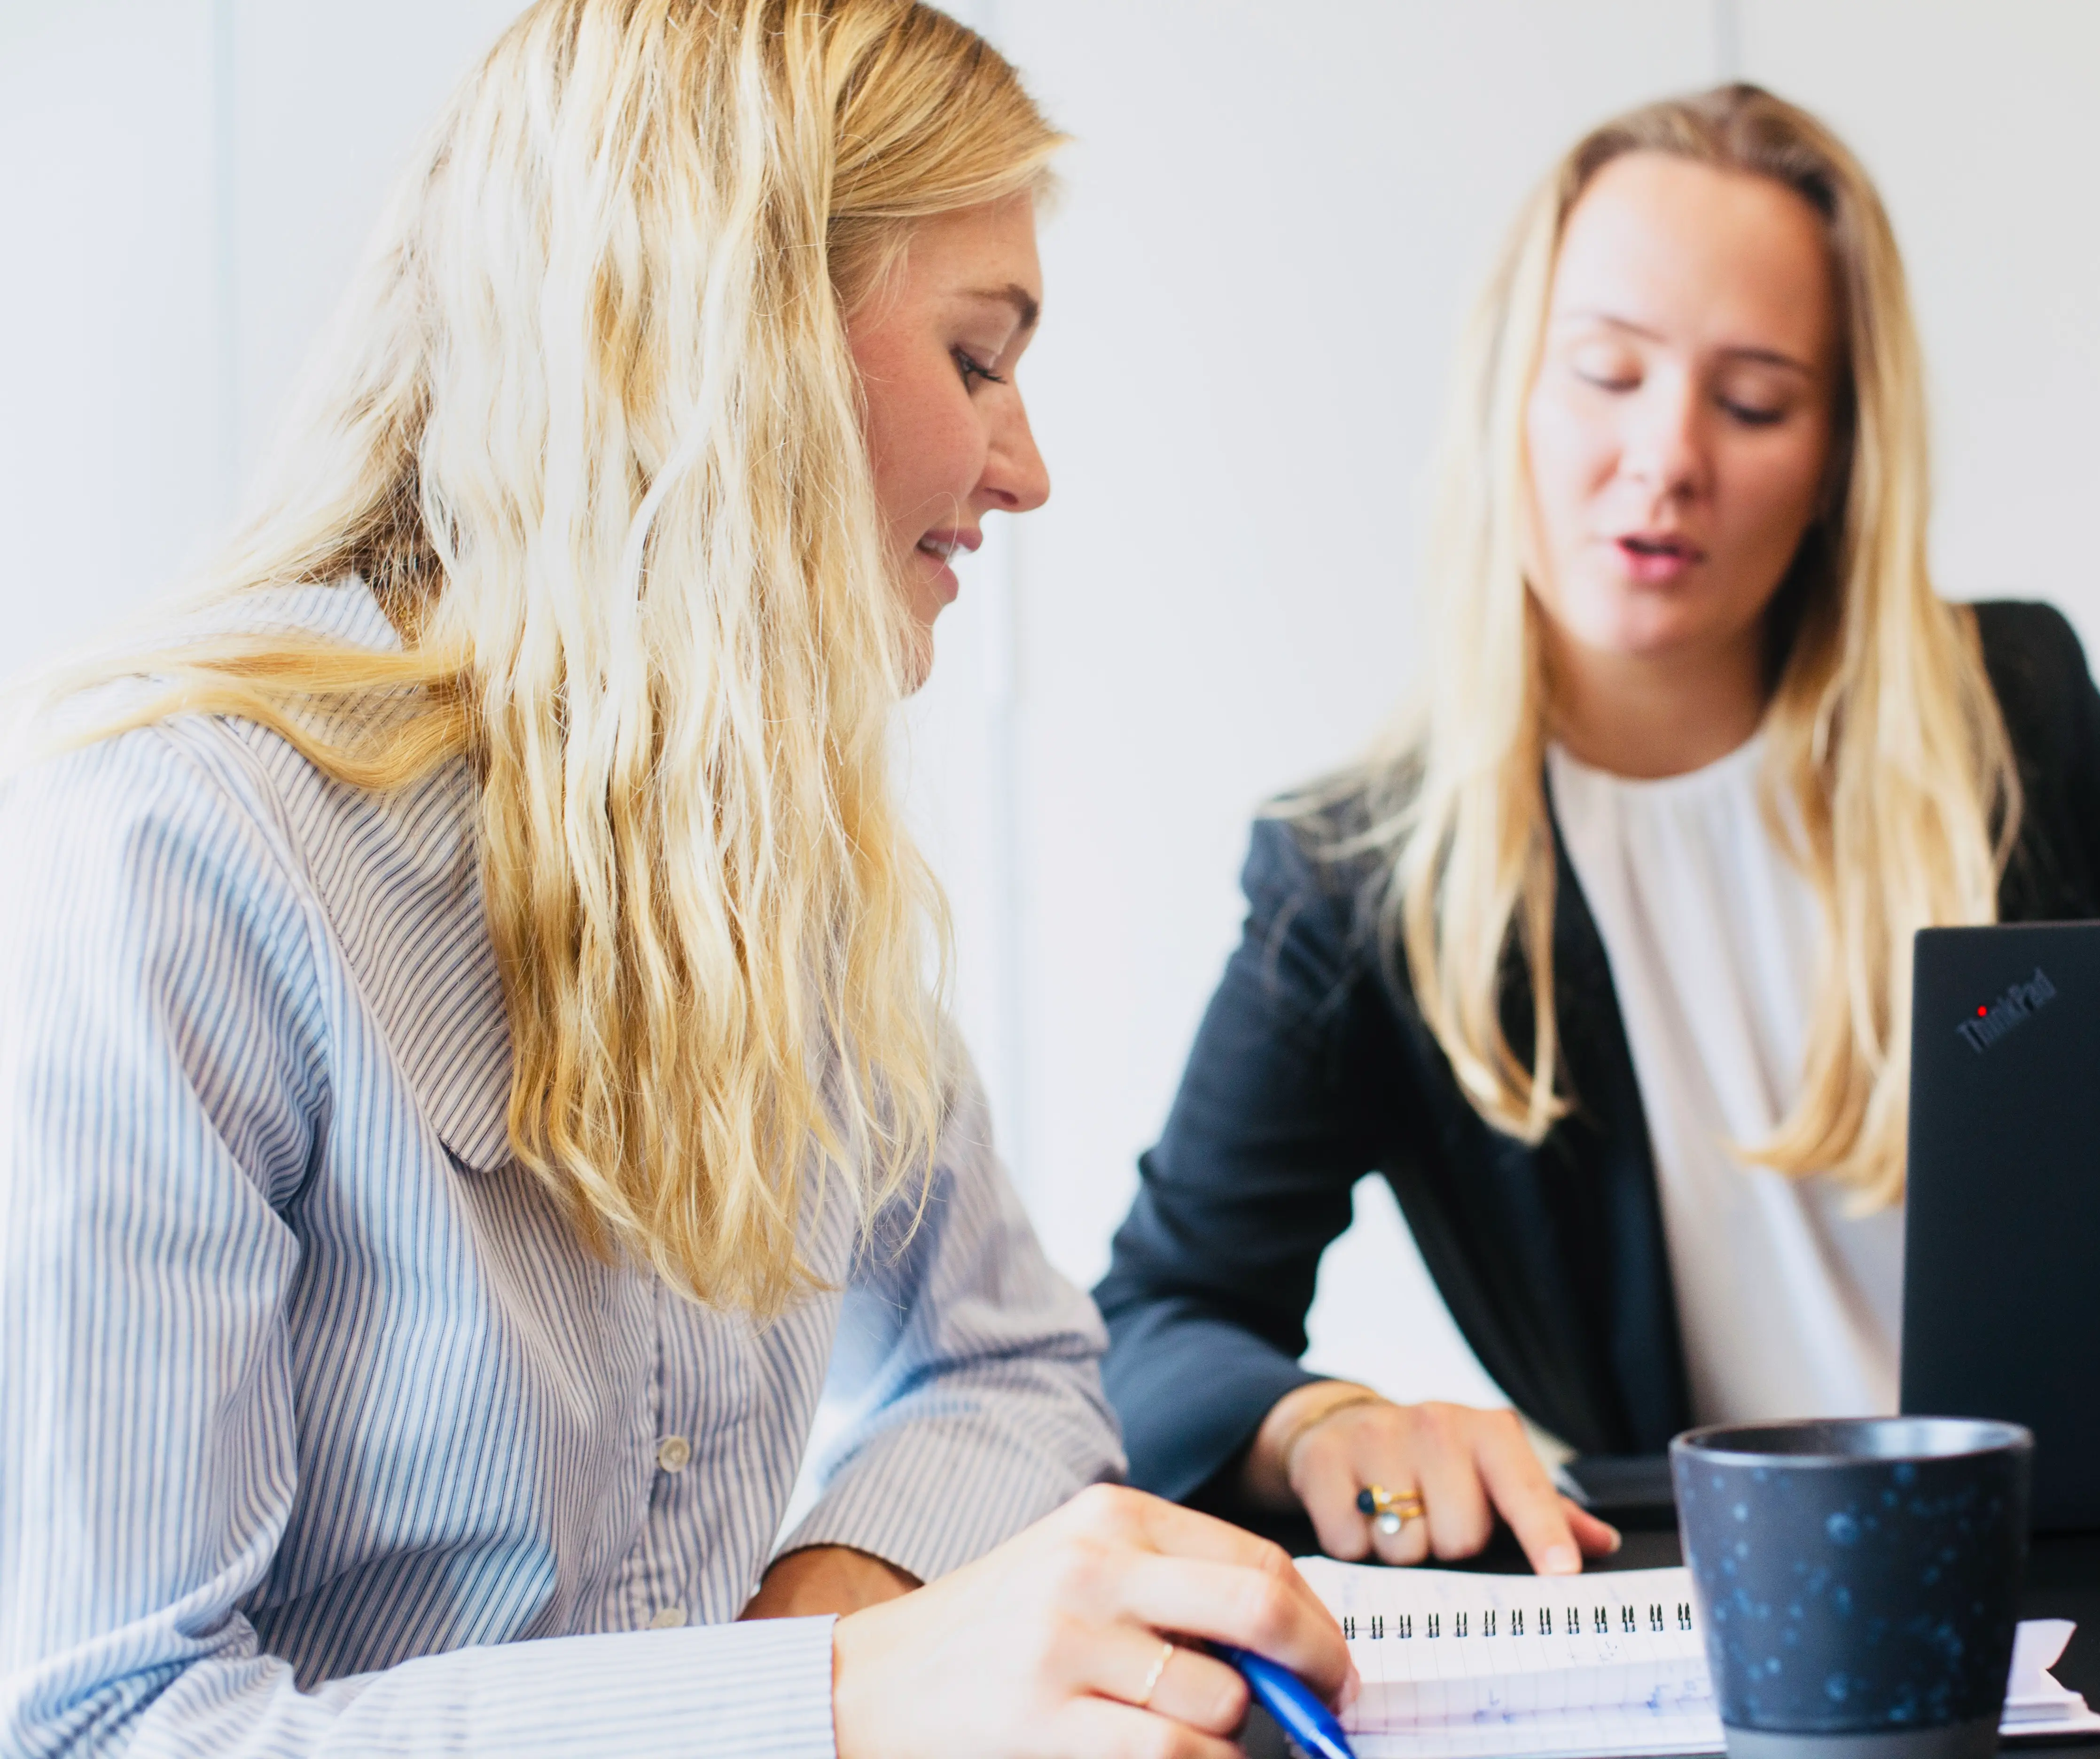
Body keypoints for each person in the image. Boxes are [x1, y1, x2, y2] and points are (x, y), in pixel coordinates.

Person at [0, 6, 1349, 1758]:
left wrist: (837, 1614)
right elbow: (111, 1727)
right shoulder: (175, 858)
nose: (1025, 466)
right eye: (977, 357)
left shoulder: (768, 846)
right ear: (744, 349)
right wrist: (834, 1704)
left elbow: (1010, 1367)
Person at [1095, 84, 2100, 1578]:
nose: (1667, 458)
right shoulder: (1363, 881)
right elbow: (1156, 1323)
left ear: (1836, 459)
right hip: (1724, 1616)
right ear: (1512, 394)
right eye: (1606, 373)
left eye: (1754, 402)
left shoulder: (2013, 722)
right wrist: (1315, 1426)